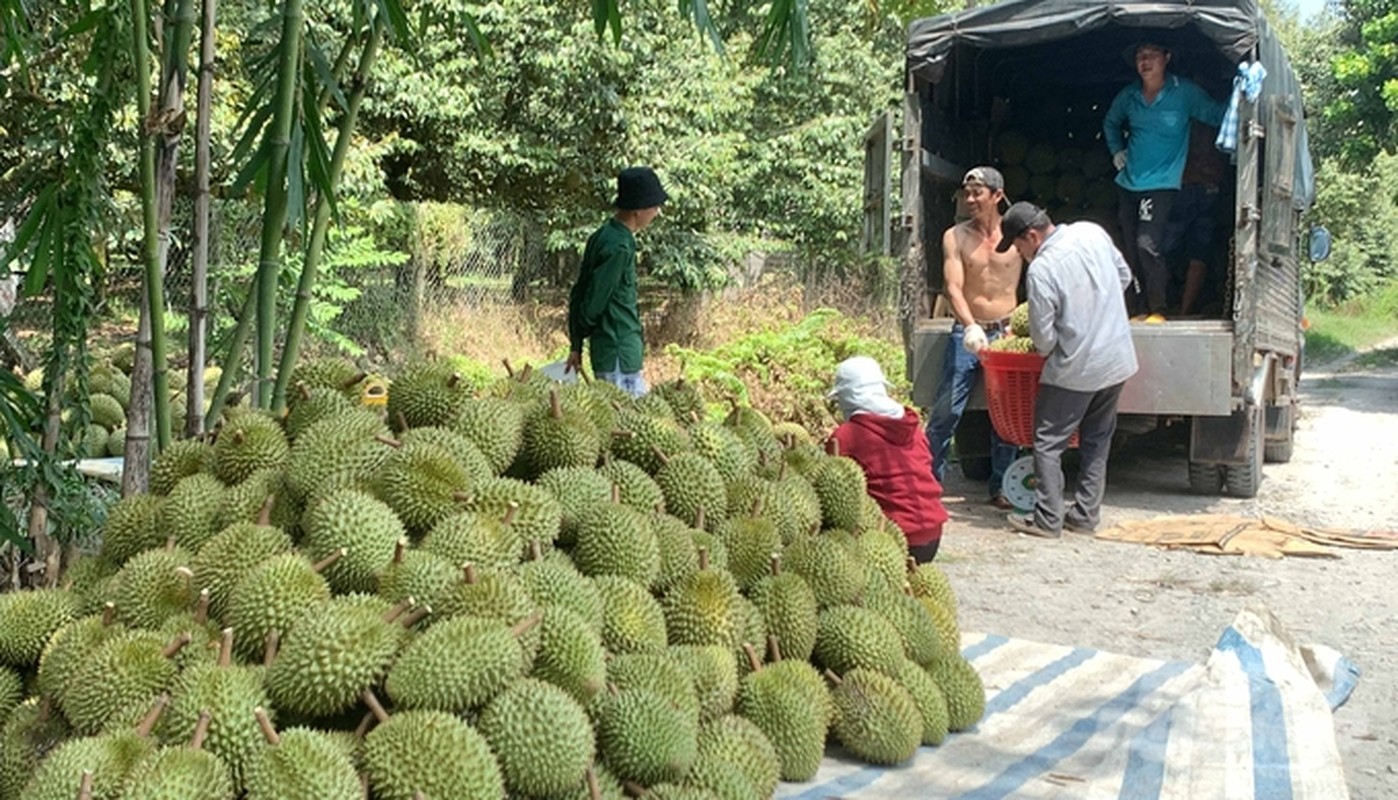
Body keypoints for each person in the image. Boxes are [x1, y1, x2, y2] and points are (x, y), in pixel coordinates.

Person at [994, 202, 1138, 538]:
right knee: (1097, 441)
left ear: (1032, 236)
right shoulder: (1091, 231)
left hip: (1077, 368)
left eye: (1018, 247)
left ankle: (1047, 520)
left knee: (1047, 442)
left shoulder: (1042, 269)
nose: (1021, 254)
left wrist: (1067, 329)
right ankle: (1086, 516)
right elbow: (1124, 277)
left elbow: (1043, 340)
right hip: (1117, 359)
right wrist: (1099, 310)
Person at [924, 167, 1023, 509]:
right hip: (968, 329)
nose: (970, 199)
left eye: (977, 192)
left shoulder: (1018, 235)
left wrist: (1022, 326)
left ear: (997, 195)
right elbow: (952, 286)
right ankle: (928, 484)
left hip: (1006, 331)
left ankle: (1003, 487)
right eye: (966, 193)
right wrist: (969, 325)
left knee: (1007, 415)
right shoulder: (955, 236)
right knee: (946, 411)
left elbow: (1041, 278)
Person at [1103, 41, 1224, 321]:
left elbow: (1215, 114)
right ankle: (1136, 308)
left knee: (1148, 244)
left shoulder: (1184, 93)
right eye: (1139, 57)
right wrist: (1116, 151)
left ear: (1167, 58)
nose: (1145, 62)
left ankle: (1158, 308)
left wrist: (1243, 96)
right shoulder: (1129, 95)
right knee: (1131, 249)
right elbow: (1110, 122)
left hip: (1160, 185)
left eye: (1151, 56)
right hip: (1127, 183)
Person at [827, 356, 948, 562]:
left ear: (846, 397)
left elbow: (830, 492)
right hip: (932, 533)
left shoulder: (846, 437)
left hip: (891, 538)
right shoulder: (914, 428)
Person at [565, 166, 668, 397]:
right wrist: (581, 334)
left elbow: (578, 293)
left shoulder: (602, 236)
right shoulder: (619, 247)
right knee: (627, 421)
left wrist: (576, 344)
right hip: (618, 352)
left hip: (611, 351)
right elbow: (592, 302)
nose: (657, 212)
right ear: (637, 210)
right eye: (654, 206)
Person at [1163, 121, 1226, 316]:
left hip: (1185, 183)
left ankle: (1159, 304)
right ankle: (1184, 310)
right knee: (1199, 251)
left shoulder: (1181, 116)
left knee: (1163, 247)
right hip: (1210, 184)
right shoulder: (1218, 118)